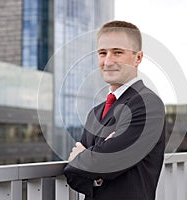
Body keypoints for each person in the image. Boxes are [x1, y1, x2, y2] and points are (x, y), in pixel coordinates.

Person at [64, 20, 166, 200]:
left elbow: (102, 162)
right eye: (103, 53)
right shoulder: (95, 113)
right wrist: (96, 167)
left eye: (118, 52)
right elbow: (75, 173)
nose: (108, 61)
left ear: (138, 58)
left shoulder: (147, 104)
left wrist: (87, 159)